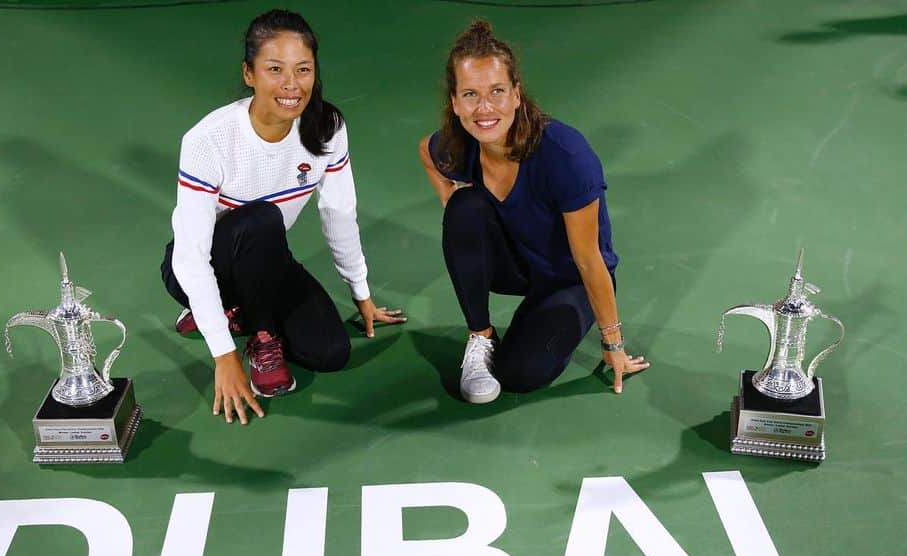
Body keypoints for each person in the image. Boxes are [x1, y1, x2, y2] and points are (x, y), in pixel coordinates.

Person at [161, 9, 405, 424]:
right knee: (262, 219)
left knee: (330, 352)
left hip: (266, 263)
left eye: (303, 69)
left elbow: (340, 213)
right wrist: (223, 356)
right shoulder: (209, 140)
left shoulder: (327, 128)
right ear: (249, 74)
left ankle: (232, 311)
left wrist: (361, 293)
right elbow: (189, 257)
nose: (292, 84)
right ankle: (256, 332)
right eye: (275, 69)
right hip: (202, 265)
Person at [418, 20, 649, 403]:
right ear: (455, 103)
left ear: (516, 95)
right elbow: (427, 151)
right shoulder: (460, 144)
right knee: (464, 207)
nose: (485, 108)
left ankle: (543, 322)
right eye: (471, 95)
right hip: (516, 263)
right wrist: (452, 206)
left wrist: (614, 343)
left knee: (520, 375)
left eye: (497, 92)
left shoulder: (566, 156)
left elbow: (589, 259)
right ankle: (481, 337)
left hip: (568, 277)